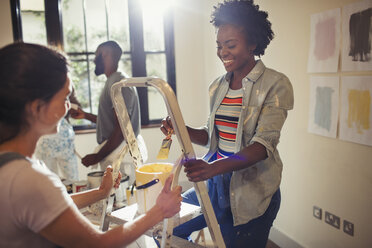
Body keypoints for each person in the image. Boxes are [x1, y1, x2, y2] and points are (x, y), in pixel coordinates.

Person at [0, 42, 182, 248]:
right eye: (65, 97)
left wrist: (101, 193)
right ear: (37, 107)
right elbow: (99, 243)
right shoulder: (29, 180)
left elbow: (53, 205)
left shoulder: (15, 164)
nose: (68, 105)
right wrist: (159, 211)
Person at [161, 0, 294, 247]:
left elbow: (262, 147)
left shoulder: (276, 84)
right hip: (215, 186)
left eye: (230, 45)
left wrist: (212, 168)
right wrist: (181, 129)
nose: (223, 51)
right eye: (219, 45)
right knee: (167, 229)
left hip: (251, 195)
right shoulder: (218, 86)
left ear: (253, 43)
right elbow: (213, 135)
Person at [70, 40, 147, 177]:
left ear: (105, 55)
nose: (94, 60)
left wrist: (97, 156)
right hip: (117, 152)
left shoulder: (117, 84)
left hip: (121, 155)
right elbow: (113, 121)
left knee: (122, 196)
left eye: (96, 55)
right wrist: (85, 116)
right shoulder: (113, 81)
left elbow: (122, 128)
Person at [34, 90, 81, 181]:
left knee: (48, 181)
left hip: (55, 139)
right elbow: (75, 108)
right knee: (68, 181)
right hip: (48, 140)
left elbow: (76, 108)